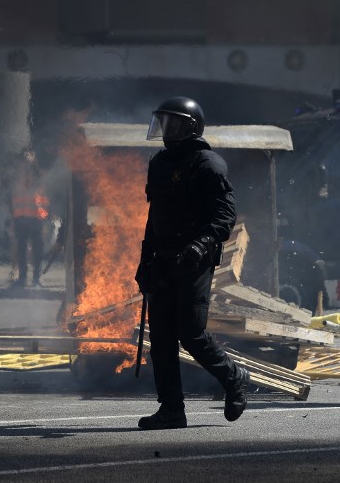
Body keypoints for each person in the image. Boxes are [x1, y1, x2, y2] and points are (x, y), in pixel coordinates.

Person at [134, 96, 249, 429]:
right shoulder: (159, 163)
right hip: (163, 259)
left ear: (192, 127)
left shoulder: (208, 163)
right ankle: (171, 409)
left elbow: (225, 215)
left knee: (190, 332)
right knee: (162, 338)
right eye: (163, 122)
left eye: (174, 123)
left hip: (194, 261)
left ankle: (233, 378)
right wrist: (145, 261)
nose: (166, 130)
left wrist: (202, 244)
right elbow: (153, 217)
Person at [9, 147, 49, 288]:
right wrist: (12, 218)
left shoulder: (39, 175)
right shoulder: (16, 177)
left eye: (30, 156)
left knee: (38, 250)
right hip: (20, 218)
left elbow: (46, 195)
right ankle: (22, 278)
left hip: (36, 218)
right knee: (21, 250)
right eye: (24, 157)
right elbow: (11, 197)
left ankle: (37, 277)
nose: (27, 159)